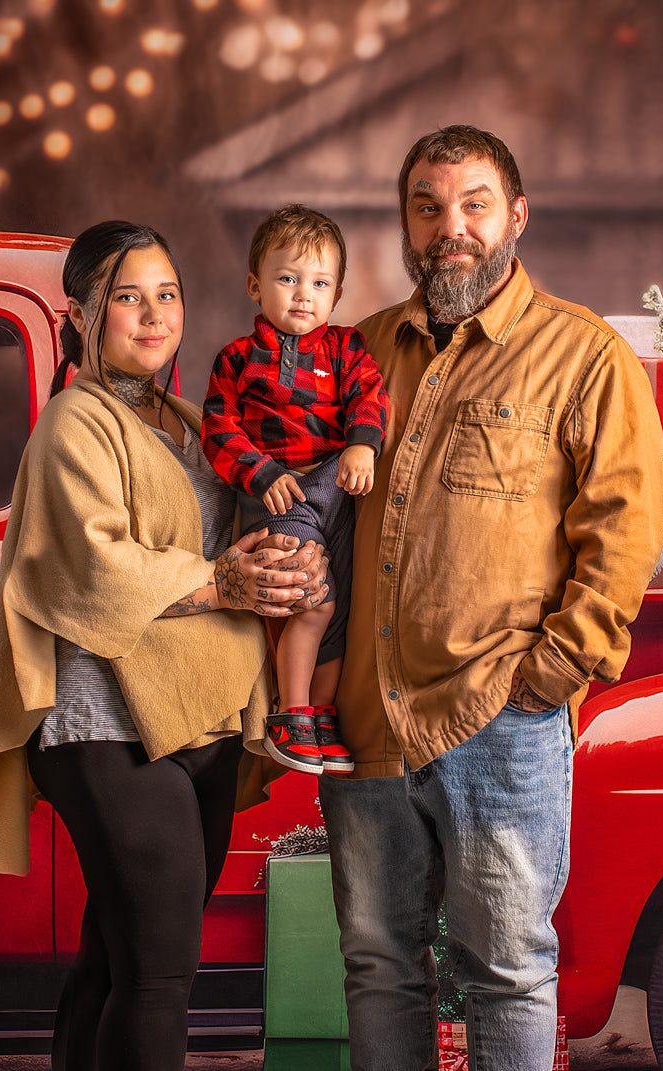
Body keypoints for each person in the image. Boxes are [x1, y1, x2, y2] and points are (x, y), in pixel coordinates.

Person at [0, 220, 328, 1071]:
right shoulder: (75, 421)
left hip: (200, 719)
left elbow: (261, 525)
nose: (153, 315)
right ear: (81, 314)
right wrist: (223, 582)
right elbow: (92, 567)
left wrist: (298, 568)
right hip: (106, 726)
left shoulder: (191, 421)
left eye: (168, 294)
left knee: (117, 956)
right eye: (127, 298)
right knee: (160, 973)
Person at [320, 125, 663, 1070]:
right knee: (378, 963)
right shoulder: (355, 355)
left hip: (499, 719)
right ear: (404, 222)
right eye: (427, 207)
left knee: (508, 967)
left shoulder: (582, 354)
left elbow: (627, 531)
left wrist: (545, 678)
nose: (450, 228)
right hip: (363, 725)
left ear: (516, 215)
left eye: (473, 204)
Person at [202, 204, 390, 776]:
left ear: (336, 294)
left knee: (341, 613)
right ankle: (292, 712)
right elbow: (218, 429)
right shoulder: (236, 359)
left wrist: (362, 444)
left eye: (319, 283)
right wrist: (260, 472)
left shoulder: (347, 348)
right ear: (256, 286)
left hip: (336, 490)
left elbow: (370, 395)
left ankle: (323, 717)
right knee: (311, 598)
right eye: (287, 279)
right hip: (277, 495)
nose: (303, 294)